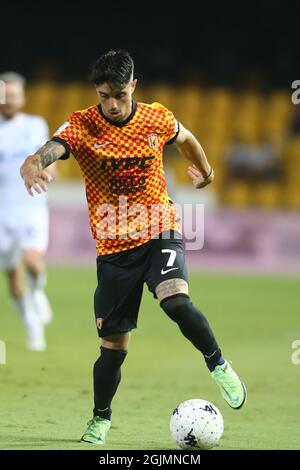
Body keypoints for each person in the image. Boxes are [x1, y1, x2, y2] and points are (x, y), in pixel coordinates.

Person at [20, 50, 246, 444]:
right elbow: (55, 146)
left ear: (133, 87)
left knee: (175, 300)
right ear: (96, 91)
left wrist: (206, 173)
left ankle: (218, 363)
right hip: (113, 247)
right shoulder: (83, 125)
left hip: (160, 228)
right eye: (104, 95)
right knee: (113, 348)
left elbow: (187, 138)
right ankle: (101, 418)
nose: (111, 104)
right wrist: (35, 160)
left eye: (119, 95)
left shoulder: (156, 117)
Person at [0, 72, 54, 351]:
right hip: (1, 213)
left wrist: (48, 170)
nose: (9, 100)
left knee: (32, 261)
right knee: (11, 274)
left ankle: (37, 291)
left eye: (14, 94)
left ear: (22, 97)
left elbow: (48, 156)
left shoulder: (35, 125)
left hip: (31, 206)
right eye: (4, 94)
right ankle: (32, 325)